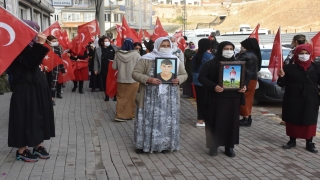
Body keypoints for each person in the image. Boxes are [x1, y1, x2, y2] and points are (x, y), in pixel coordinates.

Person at [8, 20, 54, 162]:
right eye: (33, 30)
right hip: (24, 88)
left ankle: (38, 145)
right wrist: (40, 44)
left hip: (37, 87)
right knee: (23, 117)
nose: (36, 33)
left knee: (38, 115)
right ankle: (21, 150)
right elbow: (29, 62)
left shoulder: (31, 45)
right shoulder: (16, 46)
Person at [132, 37, 188, 153]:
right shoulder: (147, 59)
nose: (165, 48)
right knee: (148, 120)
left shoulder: (175, 60)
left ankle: (165, 145)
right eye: (163, 45)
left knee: (167, 120)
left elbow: (184, 74)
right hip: (149, 96)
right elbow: (135, 73)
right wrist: (148, 79)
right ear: (157, 46)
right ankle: (145, 145)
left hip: (169, 98)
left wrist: (178, 80)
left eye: (168, 46)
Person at [198, 41, 248, 157]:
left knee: (231, 123)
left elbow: (247, 76)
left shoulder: (238, 63)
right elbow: (202, 77)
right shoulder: (211, 63)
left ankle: (229, 147)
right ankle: (213, 146)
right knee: (214, 122)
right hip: (216, 98)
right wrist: (213, 86)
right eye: (226, 48)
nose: (229, 51)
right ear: (220, 49)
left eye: (231, 48)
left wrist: (244, 85)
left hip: (233, 98)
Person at [278, 44, 319, 154]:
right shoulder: (288, 68)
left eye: (306, 53)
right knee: (293, 118)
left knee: (309, 119)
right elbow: (281, 84)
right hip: (293, 97)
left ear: (310, 54)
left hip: (311, 98)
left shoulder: (315, 68)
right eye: (301, 53)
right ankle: (292, 140)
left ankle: (309, 142)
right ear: (296, 54)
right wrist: (281, 76)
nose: (304, 55)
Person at [280, 34, 307, 125]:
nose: (304, 55)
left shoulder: (295, 51)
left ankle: (290, 119)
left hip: (292, 78)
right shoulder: (307, 49)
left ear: (295, 41)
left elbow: (287, 62)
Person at [112, 38, 140, 122]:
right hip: (133, 80)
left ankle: (119, 115)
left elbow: (114, 67)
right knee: (131, 98)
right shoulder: (136, 55)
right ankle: (130, 115)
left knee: (121, 97)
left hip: (121, 79)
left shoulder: (118, 54)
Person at [236, 38, 262, 127]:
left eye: (242, 46)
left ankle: (246, 118)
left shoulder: (246, 55)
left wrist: (238, 54)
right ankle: (248, 117)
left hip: (247, 79)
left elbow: (235, 62)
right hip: (253, 79)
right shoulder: (255, 54)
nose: (241, 47)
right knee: (249, 99)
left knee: (244, 98)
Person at [192, 38, 214, 127]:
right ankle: (204, 119)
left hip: (197, 80)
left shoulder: (196, 55)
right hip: (206, 80)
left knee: (200, 100)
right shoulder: (209, 56)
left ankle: (200, 119)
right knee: (207, 101)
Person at [93, 36, 119, 101]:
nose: (107, 42)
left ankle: (115, 96)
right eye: (105, 41)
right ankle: (107, 95)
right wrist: (95, 69)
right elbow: (96, 60)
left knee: (114, 82)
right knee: (105, 82)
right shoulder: (98, 50)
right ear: (102, 42)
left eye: (108, 41)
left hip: (113, 68)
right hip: (103, 68)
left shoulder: (114, 48)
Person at [45, 35, 66, 105]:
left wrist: (63, 70)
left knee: (53, 84)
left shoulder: (57, 49)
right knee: (46, 83)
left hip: (55, 68)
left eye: (56, 41)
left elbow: (60, 60)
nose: (55, 42)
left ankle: (52, 98)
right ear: (48, 42)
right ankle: (46, 98)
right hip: (45, 69)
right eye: (53, 41)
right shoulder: (44, 48)